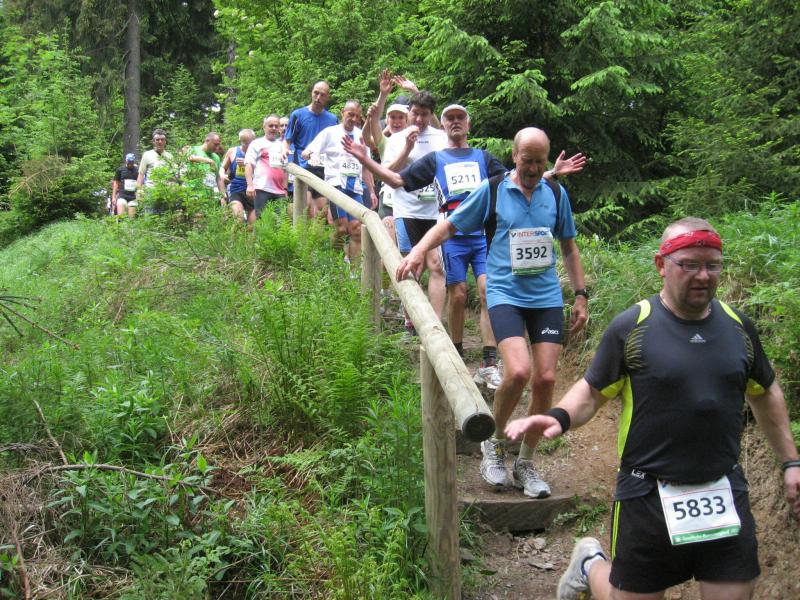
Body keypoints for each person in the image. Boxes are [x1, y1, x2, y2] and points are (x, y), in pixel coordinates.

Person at [505, 217, 800, 600]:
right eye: (689, 264)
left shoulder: (738, 327)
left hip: (723, 489)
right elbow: (592, 391)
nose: (703, 276)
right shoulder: (632, 326)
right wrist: (558, 417)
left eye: (712, 265)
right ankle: (589, 565)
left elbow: (765, 392)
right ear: (661, 264)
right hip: (646, 493)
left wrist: (790, 462)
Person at [395, 127, 589, 498]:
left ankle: (526, 461)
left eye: (540, 161)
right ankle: (494, 444)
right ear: (514, 156)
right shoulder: (494, 190)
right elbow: (449, 225)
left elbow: (569, 247)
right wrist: (418, 251)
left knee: (546, 379)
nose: (533, 168)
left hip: (546, 296)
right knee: (518, 372)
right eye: (527, 160)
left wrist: (580, 295)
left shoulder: (556, 193)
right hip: (506, 294)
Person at [303, 100, 377, 267]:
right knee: (342, 228)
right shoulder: (330, 132)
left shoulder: (361, 136)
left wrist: (371, 191)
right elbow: (307, 152)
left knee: (356, 229)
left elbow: (366, 167)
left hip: (355, 187)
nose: (354, 119)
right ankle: (335, 264)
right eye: (350, 114)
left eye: (357, 116)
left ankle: (354, 271)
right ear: (342, 112)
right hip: (336, 185)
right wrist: (313, 156)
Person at [282, 81, 338, 219]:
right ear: (311, 93)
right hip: (303, 166)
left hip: (323, 167)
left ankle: (314, 234)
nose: (318, 97)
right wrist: (284, 151)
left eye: (322, 95)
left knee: (321, 211)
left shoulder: (332, 119)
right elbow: (288, 140)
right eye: (316, 93)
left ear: (328, 97)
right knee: (305, 208)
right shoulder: (298, 115)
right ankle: (300, 233)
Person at [245, 115, 288, 223]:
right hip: (262, 188)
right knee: (262, 221)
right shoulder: (257, 143)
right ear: (264, 127)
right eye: (270, 126)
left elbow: (285, 169)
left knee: (281, 223)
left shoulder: (282, 145)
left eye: (276, 126)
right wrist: (250, 185)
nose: (273, 128)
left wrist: (285, 189)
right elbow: (249, 164)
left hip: (279, 191)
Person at [220, 129, 256, 222]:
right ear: (240, 140)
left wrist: (247, 164)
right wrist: (222, 175)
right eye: (245, 143)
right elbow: (223, 167)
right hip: (236, 190)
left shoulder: (258, 153)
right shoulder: (232, 151)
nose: (247, 146)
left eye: (250, 143)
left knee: (253, 225)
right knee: (238, 220)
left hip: (253, 191)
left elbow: (263, 171)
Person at [188, 132, 226, 201]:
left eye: (218, 145)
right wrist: (208, 161)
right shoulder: (193, 149)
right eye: (215, 144)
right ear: (207, 141)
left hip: (209, 196)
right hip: (193, 194)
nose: (217, 147)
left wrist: (223, 195)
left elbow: (218, 178)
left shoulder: (216, 157)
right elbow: (191, 158)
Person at [113, 153, 139, 218]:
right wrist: (113, 197)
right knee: (121, 217)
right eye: (129, 161)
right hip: (122, 196)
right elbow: (116, 183)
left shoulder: (137, 170)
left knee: (131, 219)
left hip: (133, 197)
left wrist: (140, 196)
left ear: (133, 161)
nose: (130, 163)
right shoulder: (120, 170)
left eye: (131, 162)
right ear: (126, 161)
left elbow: (140, 183)